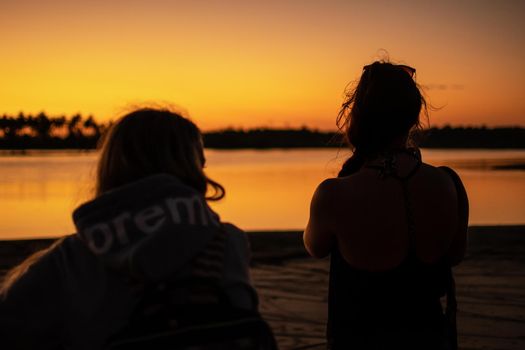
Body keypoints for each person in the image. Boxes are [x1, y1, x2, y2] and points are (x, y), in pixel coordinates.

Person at [0, 108, 269, 349]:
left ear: (110, 167)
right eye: (201, 161)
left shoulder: (70, 258)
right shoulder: (229, 240)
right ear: (192, 168)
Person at [303, 61, 469, 349]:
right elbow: (454, 255)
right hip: (429, 339)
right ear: (413, 116)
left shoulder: (333, 193)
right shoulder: (449, 183)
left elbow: (315, 247)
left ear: (358, 117)